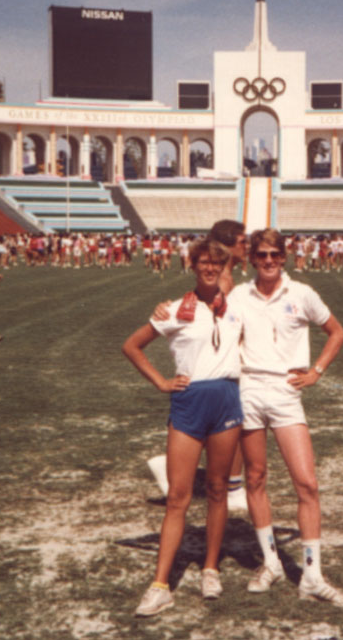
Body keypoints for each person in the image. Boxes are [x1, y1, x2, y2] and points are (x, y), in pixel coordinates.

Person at [233, 228, 343, 607]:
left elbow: (336, 332)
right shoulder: (239, 295)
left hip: (287, 393)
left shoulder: (301, 293)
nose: (269, 261)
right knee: (255, 478)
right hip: (248, 389)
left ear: (284, 257)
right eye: (262, 255)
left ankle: (312, 576)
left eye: (275, 254)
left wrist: (316, 371)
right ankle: (270, 563)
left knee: (307, 484)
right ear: (252, 259)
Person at [122, 238, 244, 617]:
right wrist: (161, 382)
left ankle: (211, 568)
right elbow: (132, 345)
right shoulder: (175, 309)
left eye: (217, 264)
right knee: (178, 496)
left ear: (226, 269)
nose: (210, 269)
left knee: (218, 489)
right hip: (189, 402)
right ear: (193, 266)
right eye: (203, 263)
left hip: (226, 399)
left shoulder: (237, 305)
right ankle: (160, 585)